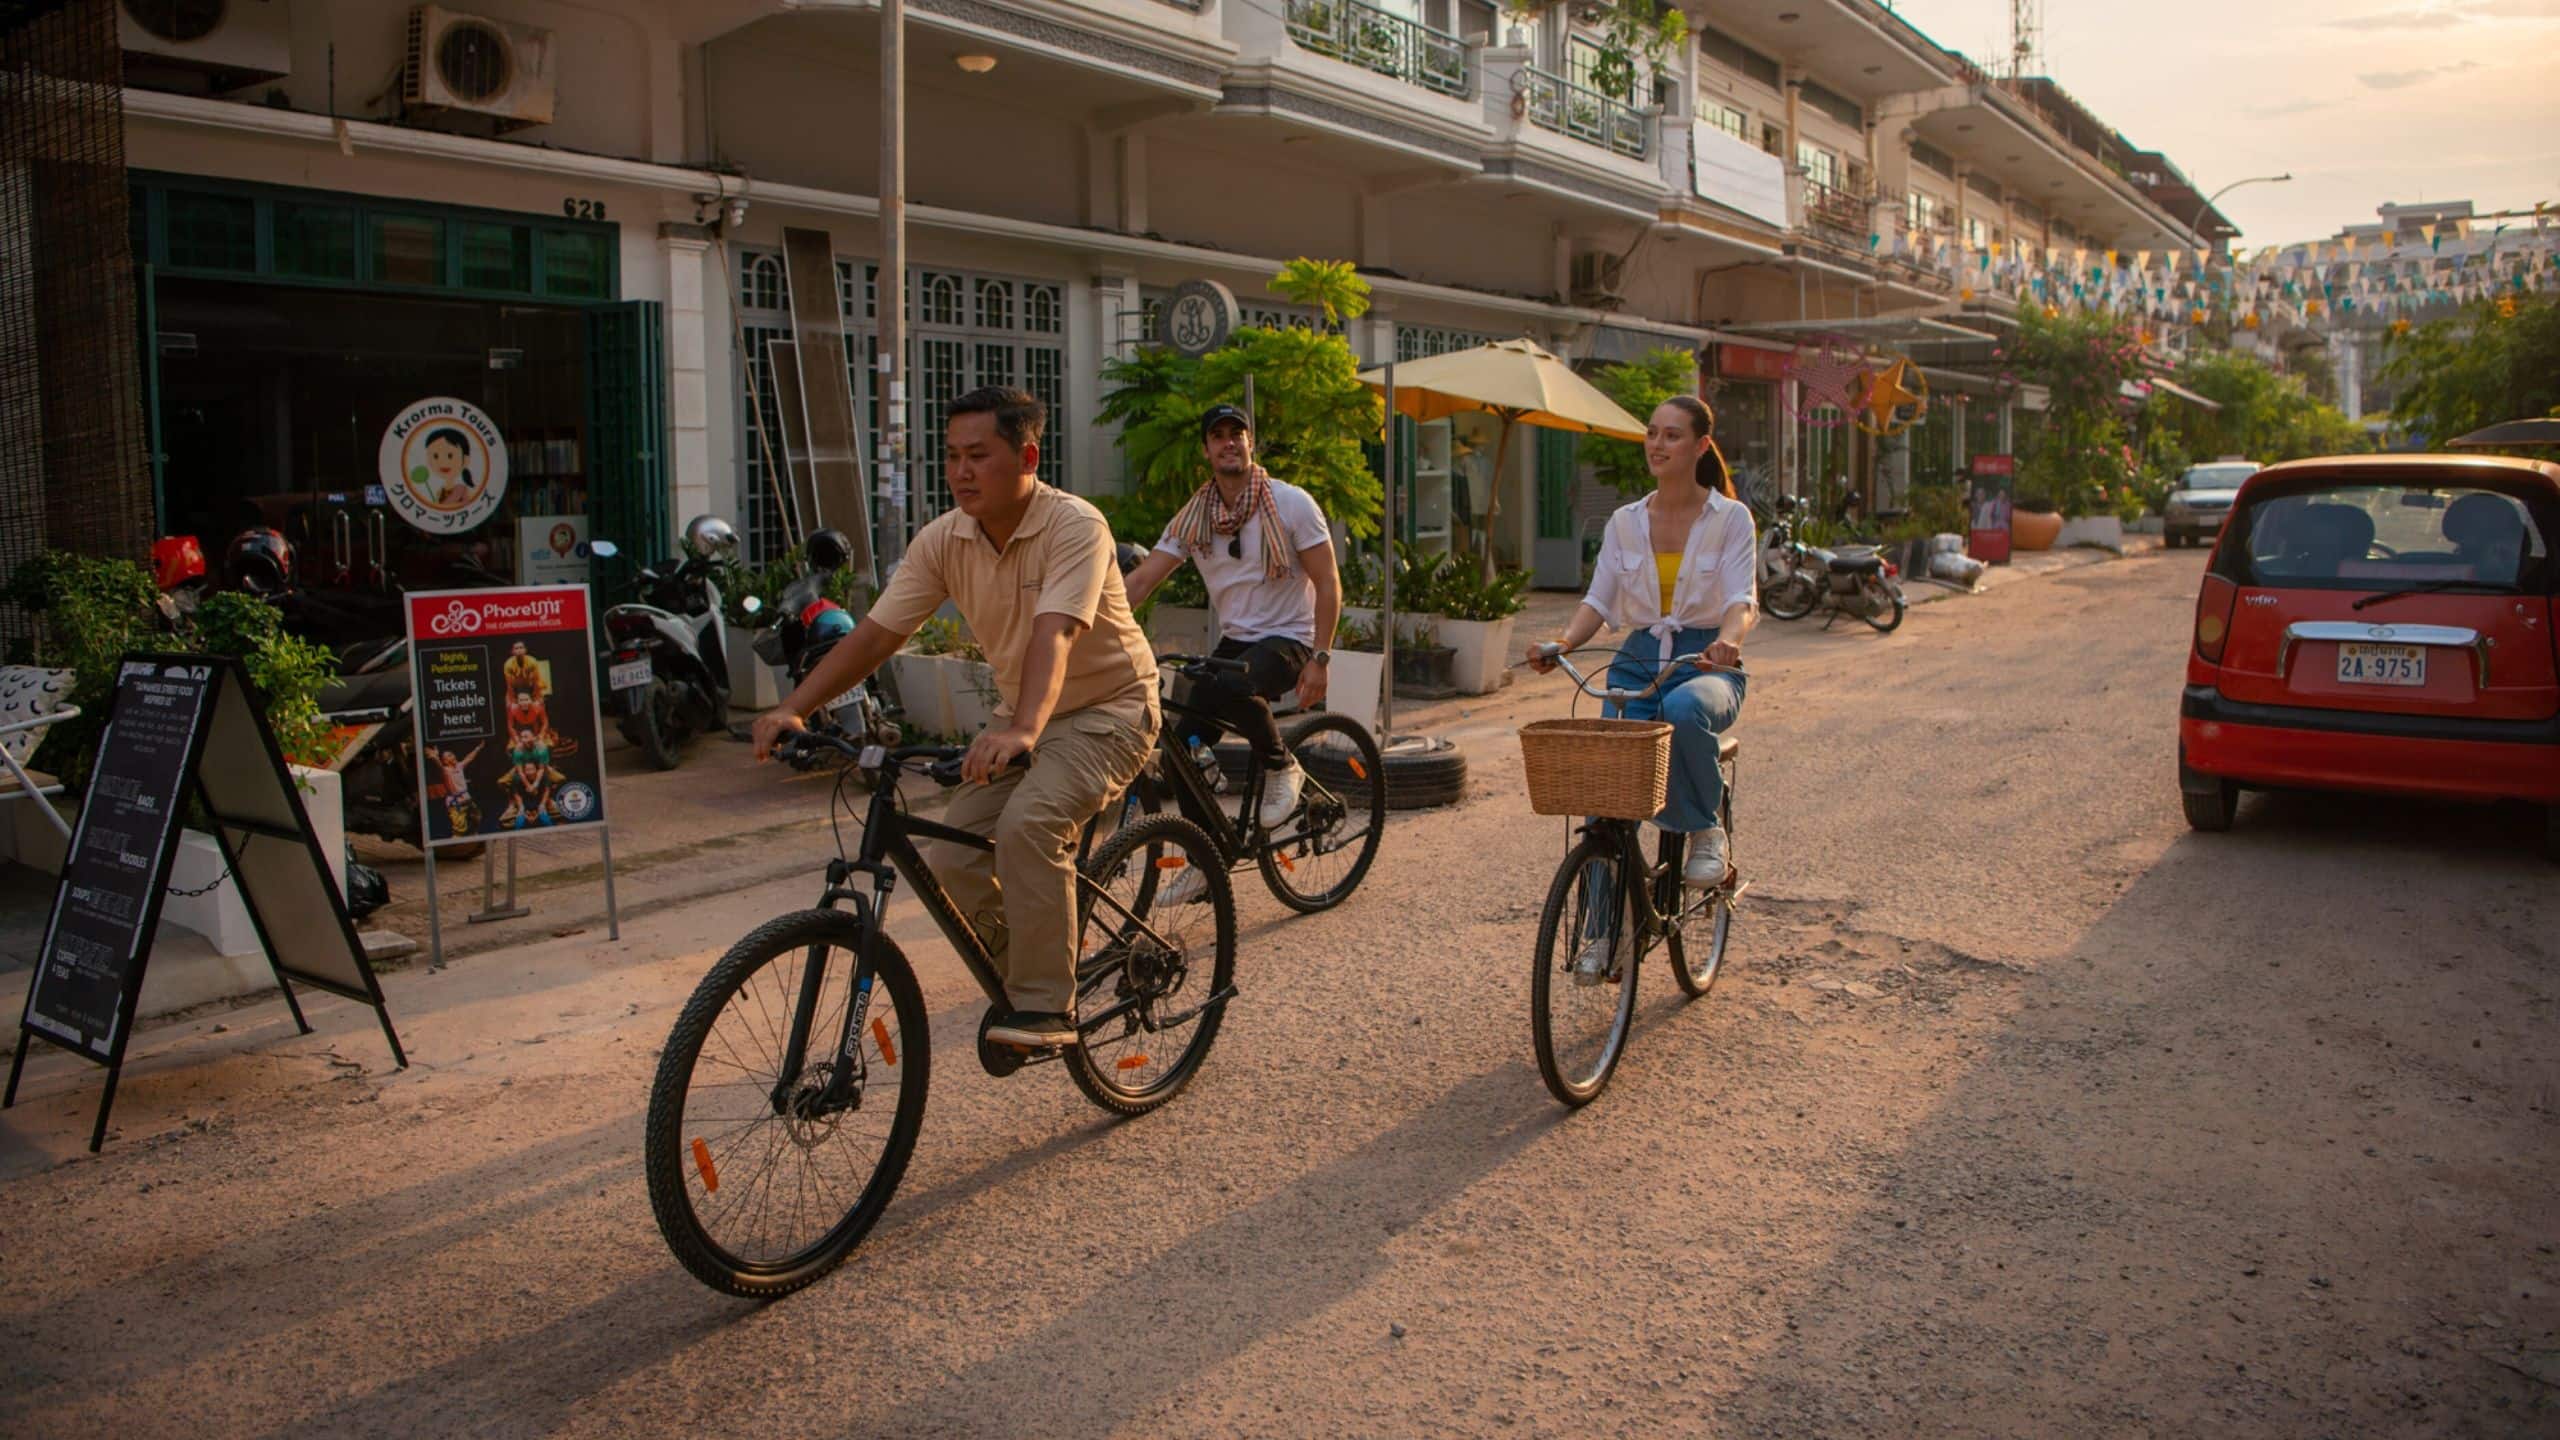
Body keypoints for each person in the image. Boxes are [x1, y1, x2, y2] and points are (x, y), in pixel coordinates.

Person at [752, 387, 1158, 1051]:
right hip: (1024, 713)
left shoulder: (1075, 526)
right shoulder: (945, 539)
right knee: (951, 858)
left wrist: (1022, 729)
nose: (962, 471)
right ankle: (1031, 967)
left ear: (1027, 455)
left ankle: (1047, 1005)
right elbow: (876, 636)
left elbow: (1053, 633)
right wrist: (794, 707)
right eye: (952, 457)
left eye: (978, 455)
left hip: (1109, 708)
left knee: (1030, 827)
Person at [1530, 396, 1755, 975]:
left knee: (1682, 711)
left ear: (1702, 445)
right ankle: (1601, 935)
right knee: (1607, 794)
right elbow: (1599, 601)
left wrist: (1728, 640)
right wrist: (1564, 644)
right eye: (1652, 433)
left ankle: (1706, 828)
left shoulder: (1730, 519)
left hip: (1706, 662)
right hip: (1633, 661)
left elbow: (1740, 602)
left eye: (1673, 436)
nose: (1658, 444)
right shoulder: (1626, 520)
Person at [1122, 404, 1342, 835]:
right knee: (1179, 752)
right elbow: (1143, 579)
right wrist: (1088, 625)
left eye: (1237, 434)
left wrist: (1321, 658)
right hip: (1236, 643)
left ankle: (1282, 766)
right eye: (1218, 435)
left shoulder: (1290, 503)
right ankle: (1211, 856)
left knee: (1234, 681)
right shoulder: (1195, 517)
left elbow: (1329, 582)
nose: (1229, 442)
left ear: (1250, 443)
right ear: (1206, 449)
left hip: (1291, 639)